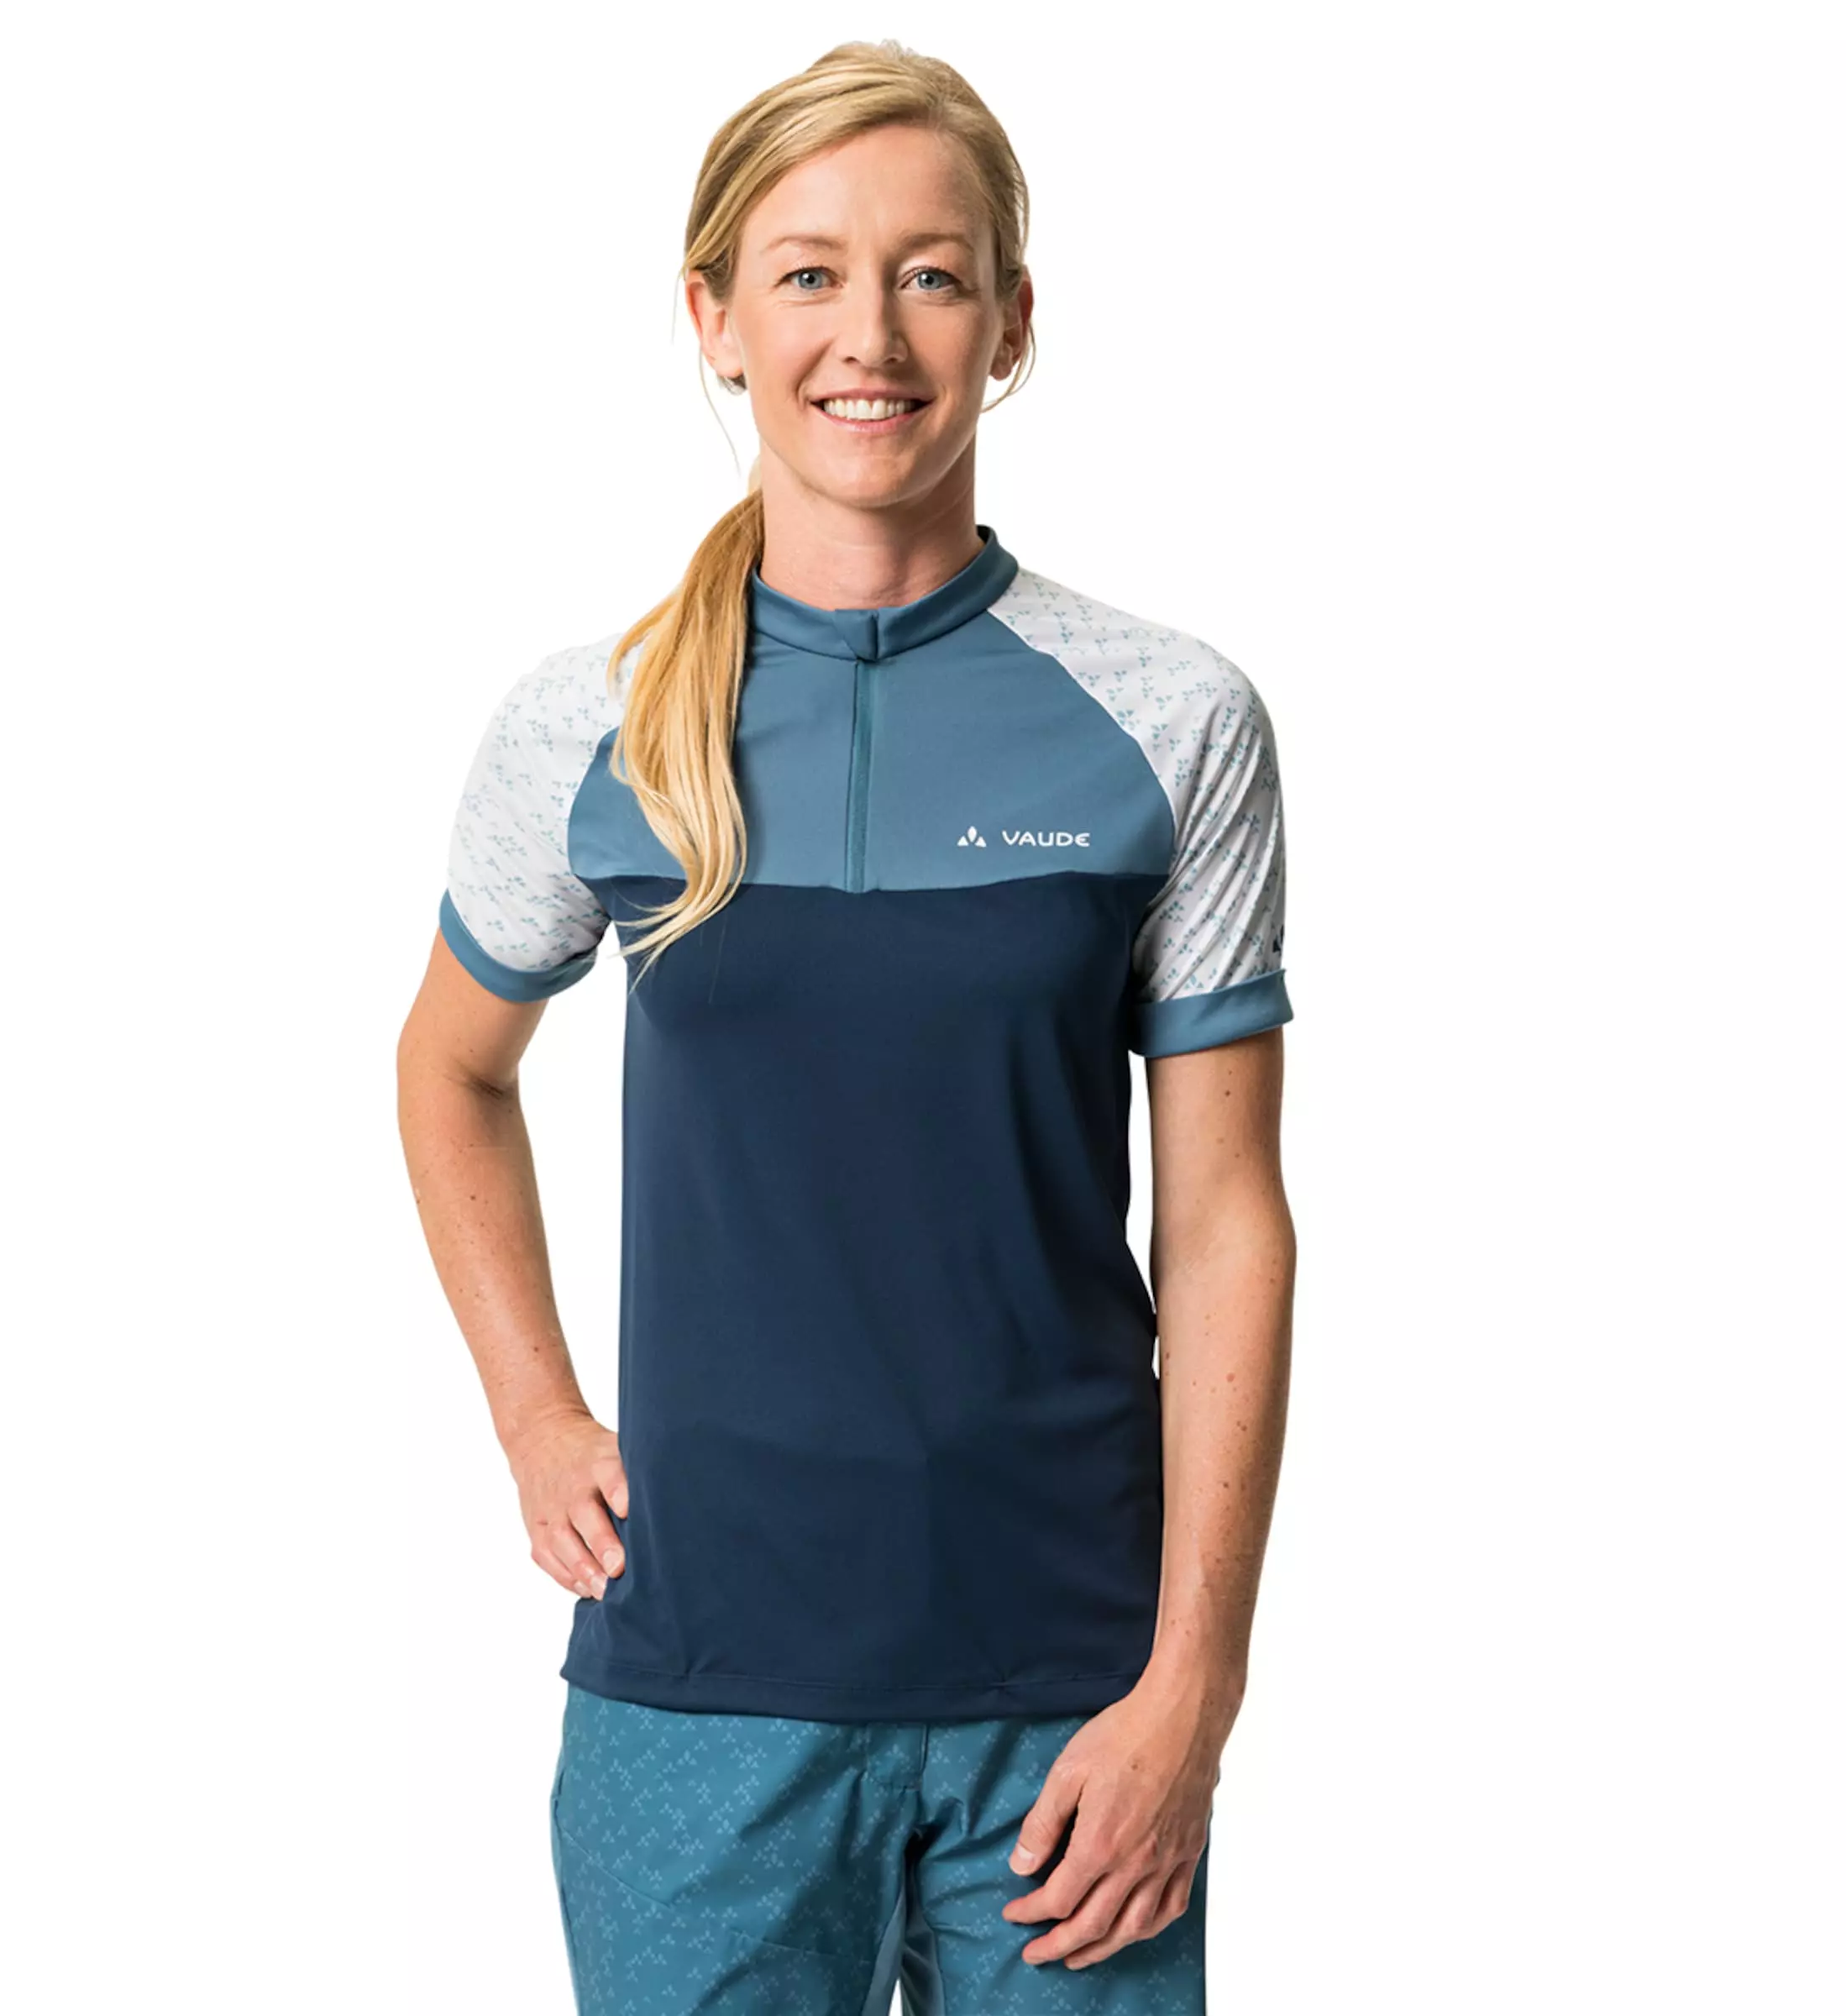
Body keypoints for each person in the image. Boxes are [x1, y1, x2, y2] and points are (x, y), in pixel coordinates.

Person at [396, 37, 1296, 2015]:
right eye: (807, 273)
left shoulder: (1170, 719)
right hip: (699, 1695)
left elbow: (1227, 1219)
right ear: (714, 317)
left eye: (931, 274)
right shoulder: (592, 727)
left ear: (1012, 322)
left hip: (1076, 1704)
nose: (869, 335)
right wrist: (536, 1417)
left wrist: (1192, 1694)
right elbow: (450, 1068)